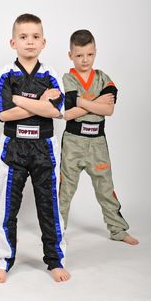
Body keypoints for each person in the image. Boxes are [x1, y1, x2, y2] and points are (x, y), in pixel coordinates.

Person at [0, 14, 70, 283]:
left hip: (44, 147)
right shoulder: (5, 74)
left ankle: (55, 260)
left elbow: (56, 111)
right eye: (23, 37)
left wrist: (19, 99)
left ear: (44, 41)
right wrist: (39, 102)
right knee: (5, 206)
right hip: (13, 147)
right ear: (13, 42)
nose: (30, 42)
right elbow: (3, 114)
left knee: (49, 206)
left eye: (35, 37)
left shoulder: (50, 74)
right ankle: (2, 259)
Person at [59, 29, 139, 245]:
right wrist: (97, 104)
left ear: (95, 52)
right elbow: (68, 113)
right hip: (73, 142)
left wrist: (82, 102)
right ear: (70, 55)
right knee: (65, 188)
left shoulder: (103, 77)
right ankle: (57, 232)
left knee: (105, 187)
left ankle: (118, 229)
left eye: (89, 54)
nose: (84, 60)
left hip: (98, 143)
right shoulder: (67, 78)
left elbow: (109, 110)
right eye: (79, 55)